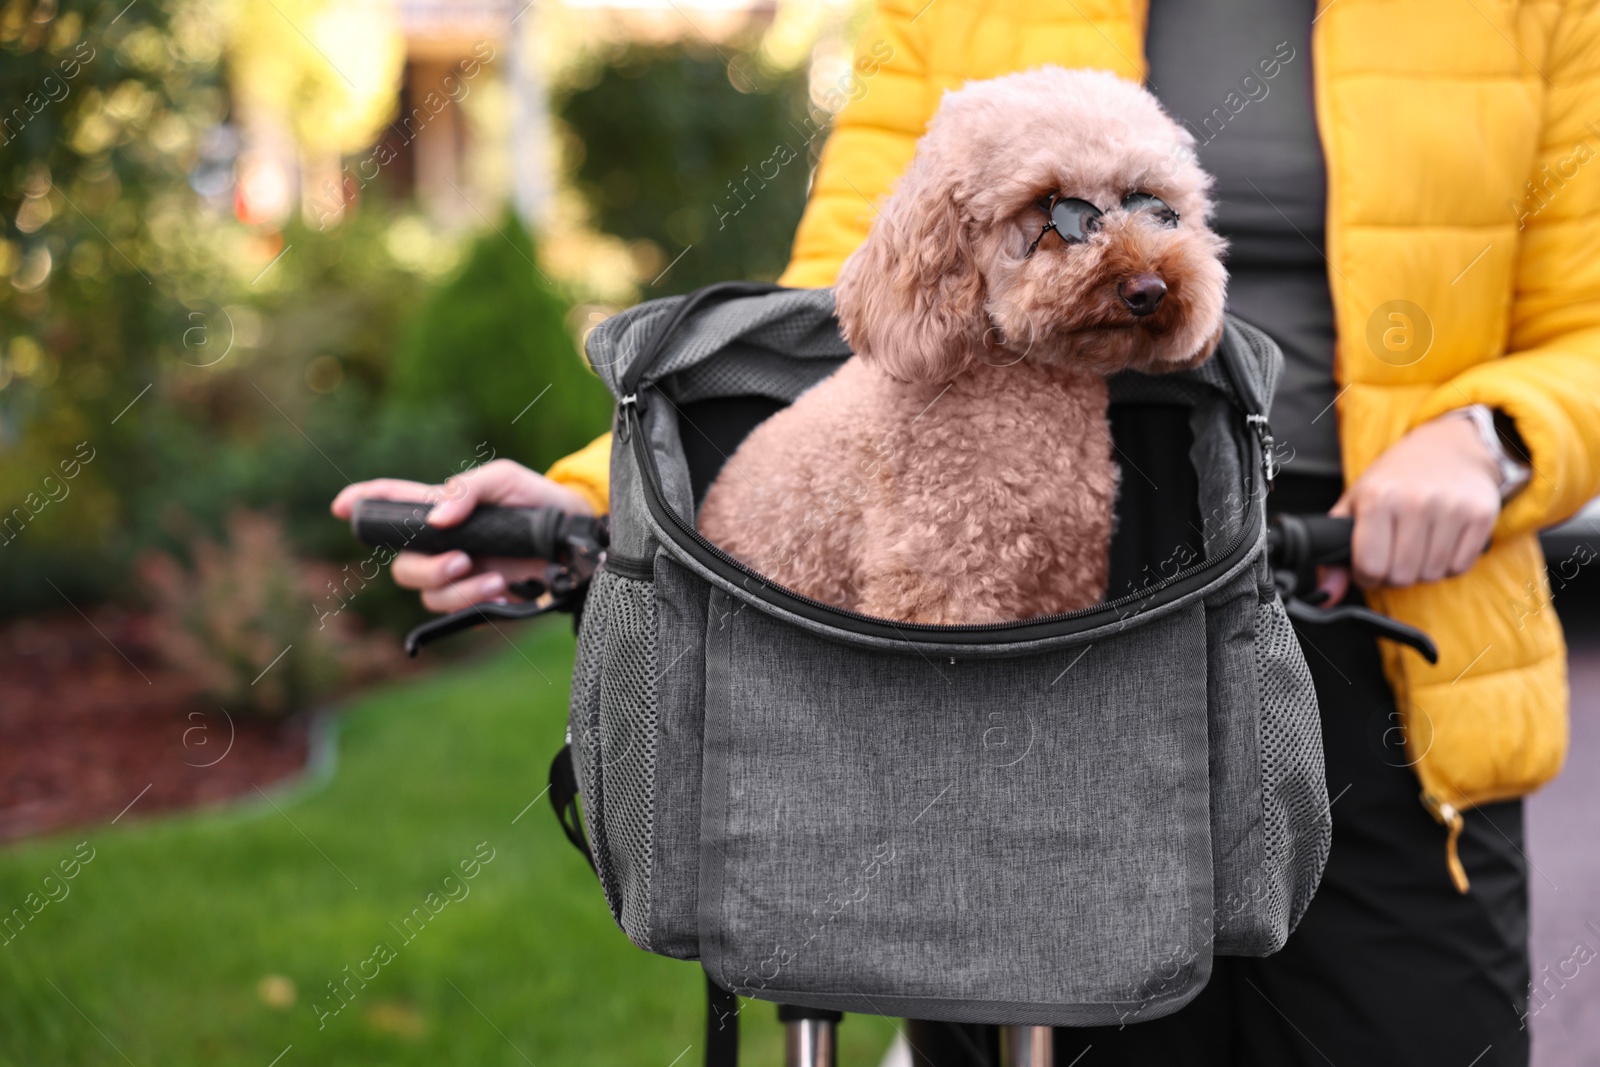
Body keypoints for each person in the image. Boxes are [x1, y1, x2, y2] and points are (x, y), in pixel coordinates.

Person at [333, 0, 1600, 1062]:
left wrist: (1490, 435)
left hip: (1384, 638)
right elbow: (844, 310)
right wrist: (605, 500)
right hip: (1018, 677)